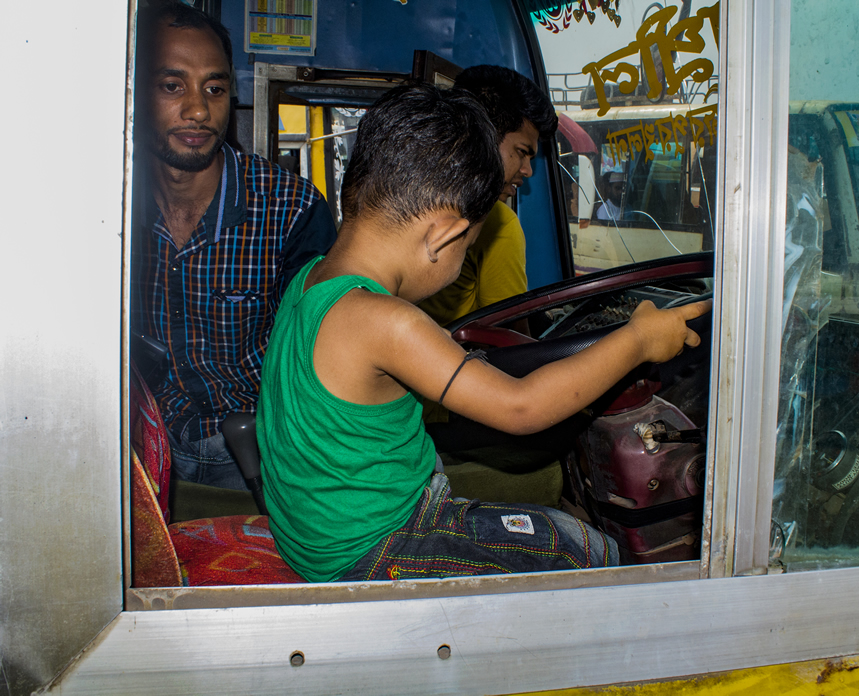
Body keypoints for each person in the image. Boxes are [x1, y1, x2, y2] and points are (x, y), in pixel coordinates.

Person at [256, 83, 710, 582]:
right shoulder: (387, 323)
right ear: (445, 235)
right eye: (469, 245)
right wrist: (639, 340)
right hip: (377, 545)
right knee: (583, 547)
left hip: (321, 537)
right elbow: (522, 408)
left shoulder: (312, 280)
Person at [132, 1, 337, 491]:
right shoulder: (105, 210)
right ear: (134, 90)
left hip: (263, 462)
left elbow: (325, 354)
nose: (199, 110)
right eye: (171, 85)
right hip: (136, 456)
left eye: (215, 88)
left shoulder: (291, 209)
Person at [418, 65, 558, 326]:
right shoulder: (499, 222)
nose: (527, 170)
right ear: (484, 137)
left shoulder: (413, 198)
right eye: (522, 151)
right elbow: (511, 340)